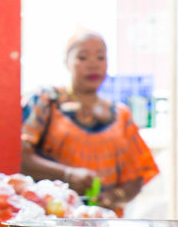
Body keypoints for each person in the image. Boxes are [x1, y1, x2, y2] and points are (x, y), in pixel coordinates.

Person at [21, 29, 158, 214]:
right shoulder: (46, 101)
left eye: (101, 58)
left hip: (104, 226)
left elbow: (137, 175)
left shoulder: (120, 115)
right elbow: (21, 156)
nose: (93, 65)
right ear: (66, 62)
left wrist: (113, 197)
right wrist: (67, 175)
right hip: (51, 219)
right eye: (83, 57)